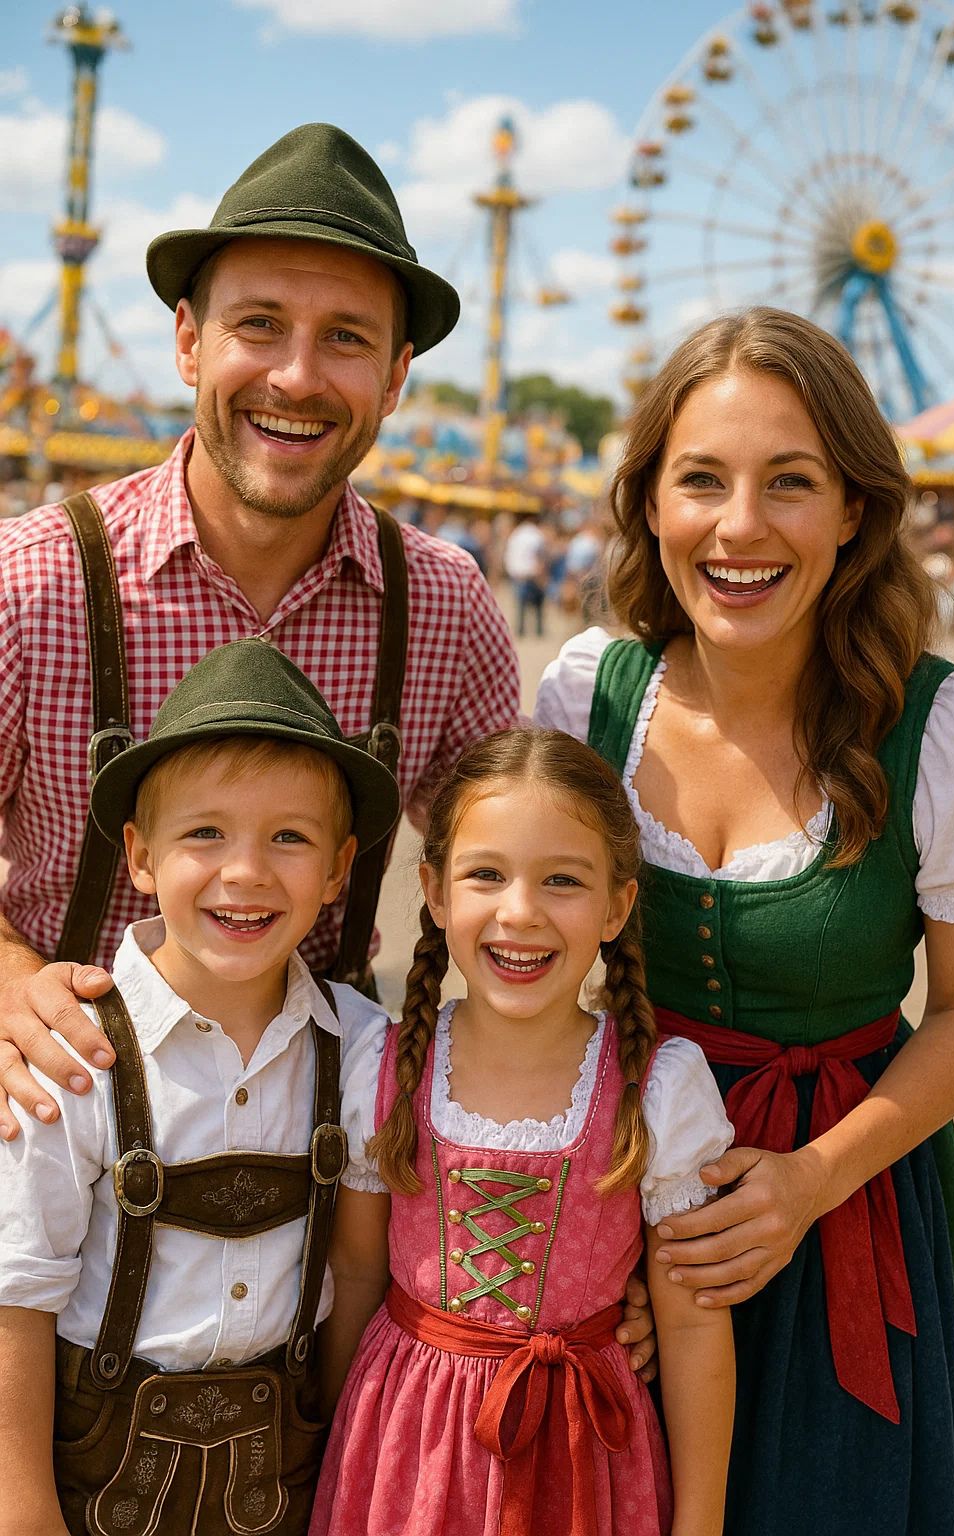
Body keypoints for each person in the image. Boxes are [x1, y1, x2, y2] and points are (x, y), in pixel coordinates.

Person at [535, 307, 954, 1536]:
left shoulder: (950, 727)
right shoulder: (584, 698)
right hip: (629, 1199)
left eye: (790, 484)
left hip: (848, 1203)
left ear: (853, 510)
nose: (739, 525)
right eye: (700, 479)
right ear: (648, 502)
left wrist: (808, 1180)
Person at [0, 122, 520, 1139]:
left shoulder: (444, 605)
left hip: (319, 1170)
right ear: (189, 339)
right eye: (260, 325)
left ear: (398, 376)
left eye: (346, 338)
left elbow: (518, 872)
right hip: (59, 1124)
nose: (294, 376)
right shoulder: (33, 583)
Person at [0, 637, 404, 1536]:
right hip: (89, 1479)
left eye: (289, 838)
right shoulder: (73, 1051)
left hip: (286, 1474)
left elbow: (356, 1267)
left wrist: (347, 1469)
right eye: (205, 833)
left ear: (339, 869)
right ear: (141, 857)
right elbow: (15, 1300)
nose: (246, 871)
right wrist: (23, 1513)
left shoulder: (362, 1047)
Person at [309, 728, 735, 1536]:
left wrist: (701, 1520)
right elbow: (358, 1273)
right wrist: (333, 1452)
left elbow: (689, 1321)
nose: (520, 913)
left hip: (586, 1454)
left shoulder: (658, 1089)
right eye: (486, 875)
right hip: (406, 1448)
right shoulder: (383, 1068)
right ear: (435, 892)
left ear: (617, 905)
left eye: (563, 881)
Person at [503, 513, 548, 637]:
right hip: (532, 572)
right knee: (538, 604)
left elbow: (509, 554)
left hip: (517, 573)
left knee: (520, 604)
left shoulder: (515, 534)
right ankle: (539, 630)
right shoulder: (536, 535)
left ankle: (520, 630)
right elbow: (540, 555)